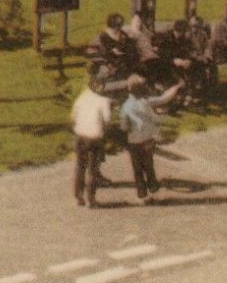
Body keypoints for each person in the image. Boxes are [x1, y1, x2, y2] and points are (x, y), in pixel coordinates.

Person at [119, 75, 182, 204]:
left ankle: (142, 196)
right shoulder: (146, 103)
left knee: (137, 169)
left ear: (128, 89)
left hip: (134, 141)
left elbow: (124, 126)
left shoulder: (126, 107)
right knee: (149, 166)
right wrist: (176, 87)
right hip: (147, 139)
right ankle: (154, 190)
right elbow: (164, 99)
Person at [71, 70, 113, 207]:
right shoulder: (103, 100)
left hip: (80, 135)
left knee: (80, 166)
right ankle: (91, 199)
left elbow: (73, 116)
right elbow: (107, 120)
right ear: (98, 86)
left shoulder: (82, 97)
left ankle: (78, 196)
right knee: (93, 169)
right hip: (94, 137)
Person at [92, 13, 137, 83]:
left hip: (123, 58)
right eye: (117, 26)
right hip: (110, 59)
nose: (118, 28)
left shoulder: (122, 34)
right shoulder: (104, 35)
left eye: (120, 25)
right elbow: (104, 49)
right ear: (112, 25)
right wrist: (112, 50)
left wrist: (127, 47)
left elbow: (128, 46)